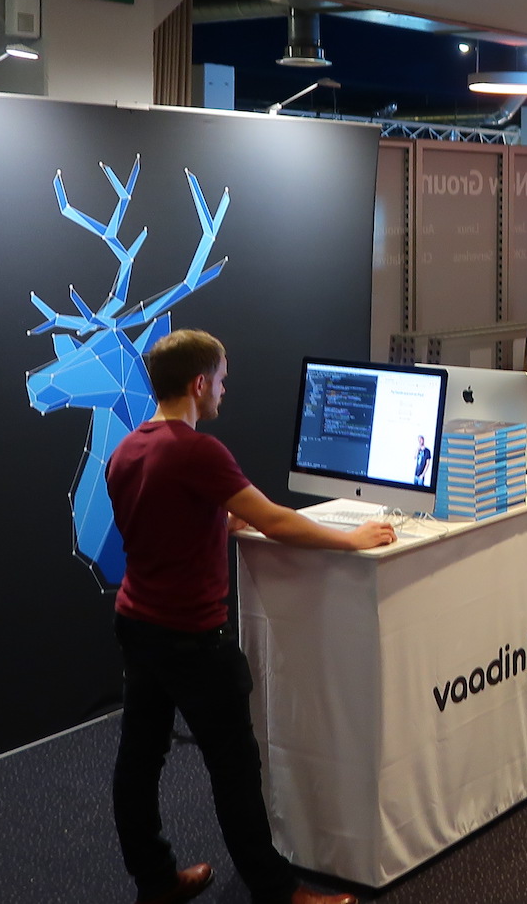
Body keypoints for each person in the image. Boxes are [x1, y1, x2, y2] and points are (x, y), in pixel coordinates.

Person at [108, 329, 393, 904]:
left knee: (140, 758)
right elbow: (277, 521)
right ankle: (277, 889)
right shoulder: (197, 451)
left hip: (138, 625)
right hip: (192, 639)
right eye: (221, 381)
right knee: (234, 767)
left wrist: (216, 524)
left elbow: (159, 528)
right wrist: (353, 541)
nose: (223, 392)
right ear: (197, 384)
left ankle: (156, 881)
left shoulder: (127, 450)